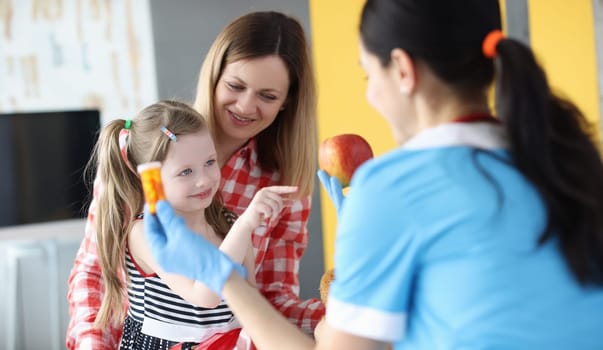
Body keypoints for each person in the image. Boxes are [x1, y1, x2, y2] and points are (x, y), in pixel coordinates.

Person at [142, 0, 603, 349]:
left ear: (401, 70)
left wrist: (224, 278)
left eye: (368, 75)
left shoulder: (394, 186)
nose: (372, 96)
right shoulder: (567, 160)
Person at [66, 11, 324, 349]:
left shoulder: (282, 183)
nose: (246, 105)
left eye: (267, 96)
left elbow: (267, 301)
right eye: (235, 86)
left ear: (286, 102)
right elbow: (95, 271)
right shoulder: (148, 152)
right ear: (214, 76)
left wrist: (345, 313)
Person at [89, 99, 296, 348]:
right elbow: (204, 296)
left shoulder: (228, 223)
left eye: (210, 162)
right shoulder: (145, 233)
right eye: (185, 172)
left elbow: (249, 304)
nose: (204, 180)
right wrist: (245, 225)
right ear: (149, 177)